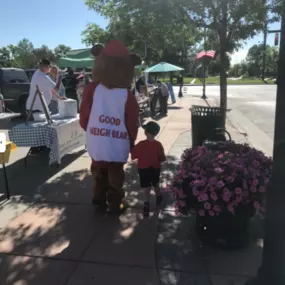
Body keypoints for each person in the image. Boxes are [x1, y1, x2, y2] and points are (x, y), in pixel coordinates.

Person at [80, 40, 140, 215]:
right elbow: (132, 120)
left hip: (97, 137)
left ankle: (98, 198)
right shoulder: (126, 95)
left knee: (98, 171)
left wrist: (88, 127)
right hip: (117, 140)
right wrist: (131, 139)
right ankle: (115, 204)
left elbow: (84, 112)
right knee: (115, 175)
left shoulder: (92, 89)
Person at [131, 121, 166, 217]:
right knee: (155, 184)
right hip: (155, 168)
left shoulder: (141, 144)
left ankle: (146, 204)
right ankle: (159, 196)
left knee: (146, 187)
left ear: (146, 132)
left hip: (143, 169)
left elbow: (134, 155)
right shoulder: (158, 145)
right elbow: (162, 158)